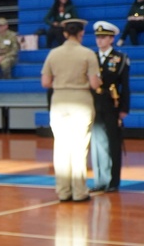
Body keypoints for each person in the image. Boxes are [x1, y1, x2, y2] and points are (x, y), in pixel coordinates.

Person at [41, 19, 101, 202]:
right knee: (78, 148)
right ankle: (79, 191)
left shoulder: (53, 53)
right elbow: (94, 83)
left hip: (59, 101)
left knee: (60, 147)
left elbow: (45, 83)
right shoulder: (88, 54)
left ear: (65, 33)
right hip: (80, 100)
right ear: (81, 33)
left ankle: (63, 191)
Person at [89, 21, 131, 193]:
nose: (100, 40)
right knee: (97, 143)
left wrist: (124, 109)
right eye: (98, 37)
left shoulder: (120, 58)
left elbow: (125, 86)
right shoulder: (91, 57)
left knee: (113, 142)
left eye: (104, 37)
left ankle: (113, 181)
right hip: (94, 103)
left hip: (111, 103)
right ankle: (100, 179)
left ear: (112, 38)